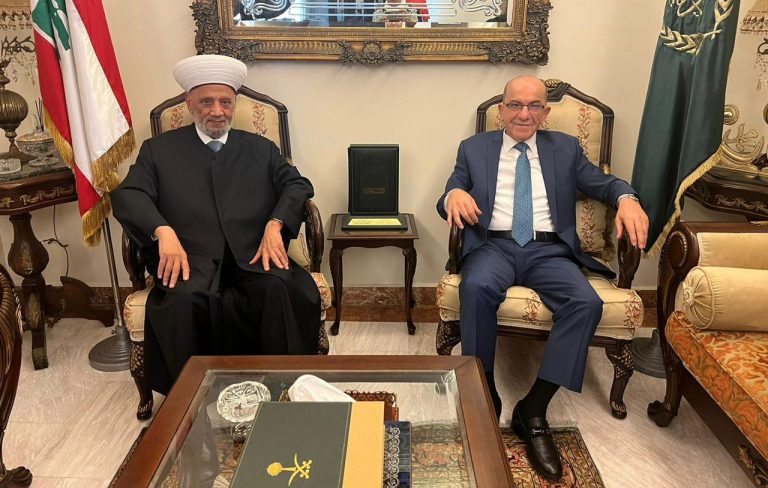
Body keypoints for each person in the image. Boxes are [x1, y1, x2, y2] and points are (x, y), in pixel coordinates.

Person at [436, 76, 648, 481]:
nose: (524, 114)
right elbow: (449, 192)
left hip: (548, 250)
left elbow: (604, 183)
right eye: (516, 105)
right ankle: (485, 396)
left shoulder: (565, 149)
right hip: (492, 246)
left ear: (545, 112)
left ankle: (533, 410)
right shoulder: (474, 148)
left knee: (586, 303)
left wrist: (627, 199)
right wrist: (453, 196)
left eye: (534, 106)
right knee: (476, 288)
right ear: (502, 110)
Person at [112, 54, 320, 396]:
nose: (217, 111)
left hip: (253, 257)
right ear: (189, 103)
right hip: (190, 261)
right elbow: (128, 194)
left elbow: (296, 185)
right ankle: (190, 400)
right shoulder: (158, 151)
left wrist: (275, 224)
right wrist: (162, 231)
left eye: (225, 102)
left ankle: (281, 390)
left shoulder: (261, 149)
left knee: (278, 290)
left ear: (234, 104)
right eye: (207, 102)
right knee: (183, 303)